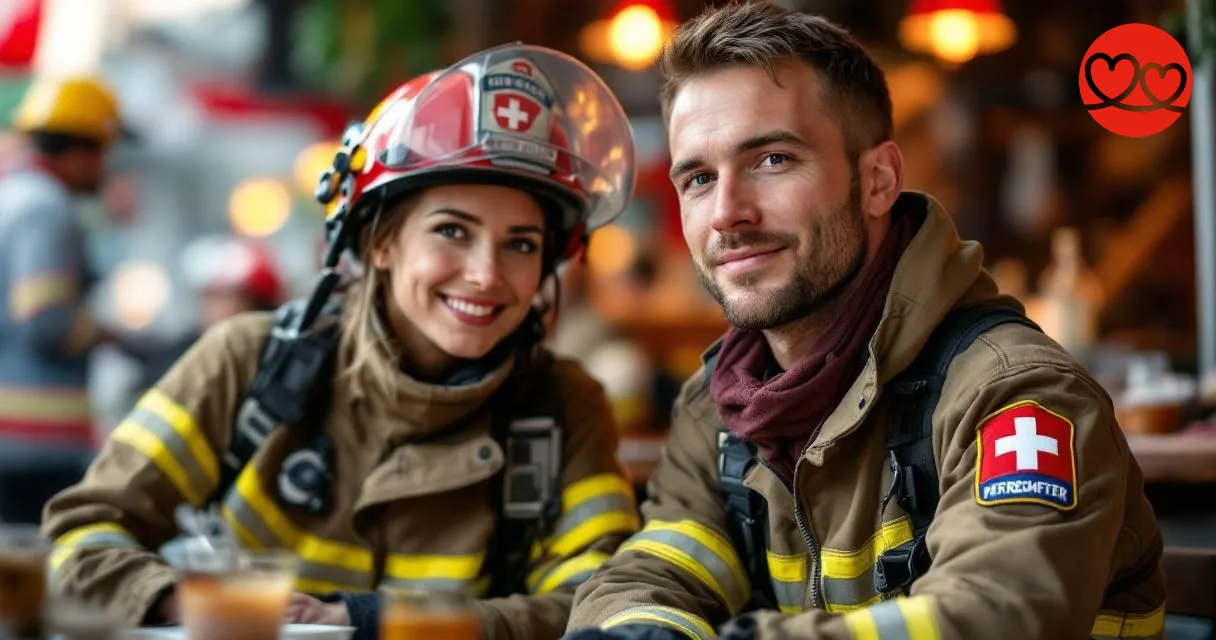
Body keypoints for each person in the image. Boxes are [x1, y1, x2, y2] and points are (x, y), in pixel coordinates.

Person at [563, 4, 1165, 640]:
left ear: (878, 180)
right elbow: (643, 581)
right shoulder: (717, 411)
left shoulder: (1015, 395)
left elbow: (992, 616)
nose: (726, 213)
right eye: (699, 178)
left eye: (772, 160)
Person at [42, 42, 641, 640]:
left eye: (520, 244)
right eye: (452, 231)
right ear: (380, 242)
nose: (486, 273)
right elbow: (82, 532)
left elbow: (598, 602)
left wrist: (369, 623)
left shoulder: (563, 408)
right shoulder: (248, 363)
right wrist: (187, 603)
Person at [0, 75, 132, 523]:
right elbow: (43, 319)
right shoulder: (46, 209)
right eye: (102, 153)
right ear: (78, 152)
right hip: (35, 442)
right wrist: (112, 335)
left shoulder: (13, 197)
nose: (105, 168)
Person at [132, 236, 287, 395]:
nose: (210, 307)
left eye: (224, 296)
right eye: (208, 295)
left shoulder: (282, 361)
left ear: (257, 305)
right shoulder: (182, 354)